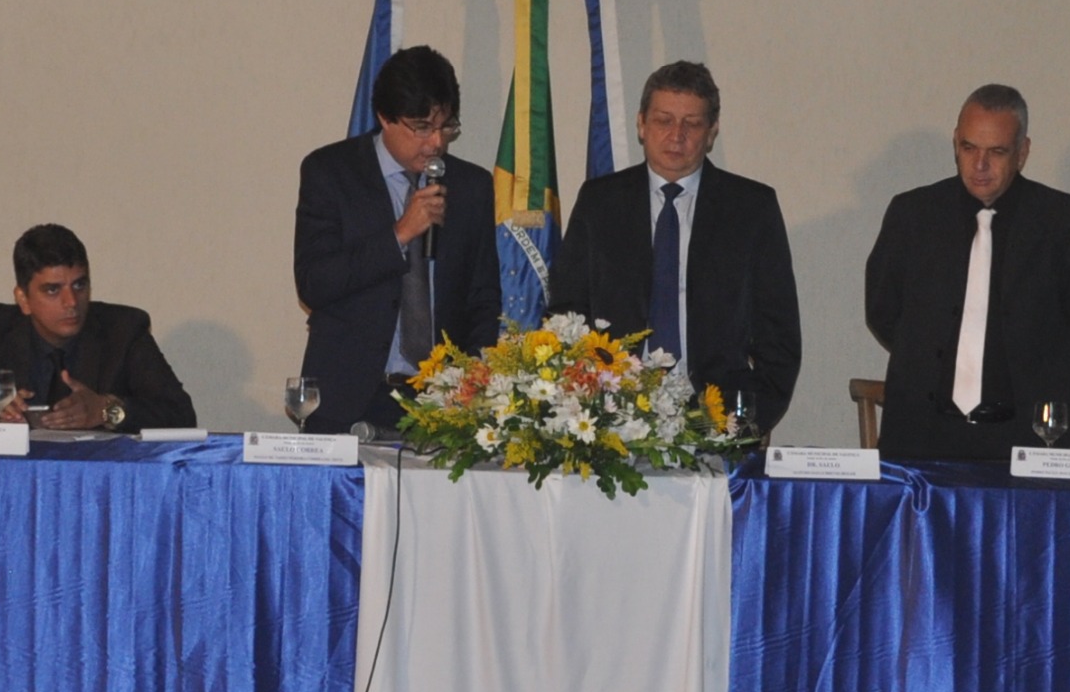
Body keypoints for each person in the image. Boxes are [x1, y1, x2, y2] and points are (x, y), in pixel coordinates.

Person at [543, 60, 802, 433]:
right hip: (612, 414)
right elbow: (566, 312)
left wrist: (748, 419)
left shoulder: (750, 209)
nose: (676, 135)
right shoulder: (600, 203)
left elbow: (779, 334)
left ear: (711, 132)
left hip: (717, 418)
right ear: (641, 124)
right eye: (664, 120)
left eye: (691, 124)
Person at [862, 83, 1070, 461]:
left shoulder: (1064, 221)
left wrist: (1023, 367)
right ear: (955, 143)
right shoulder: (912, 215)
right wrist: (930, 358)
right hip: (922, 432)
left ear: (1022, 153)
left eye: (996, 151)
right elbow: (883, 309)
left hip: (1029, 432)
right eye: (969, 148)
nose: (980, 164)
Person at [292, 46, 501, 430]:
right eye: (422, 127)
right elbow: (314, 284)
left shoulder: (472, 187)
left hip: (443, 405)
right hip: (347, 398)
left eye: (446, 127)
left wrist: (472, 382)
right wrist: (400, 233)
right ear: (385, 118)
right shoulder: (331, 173)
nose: (436, 143)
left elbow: (483, 298)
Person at [0, 224, 198, 430]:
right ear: (23, 299)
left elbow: (180, 414)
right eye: (53, 290)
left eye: (79, 285)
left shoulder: (123, 330)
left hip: (96, 483)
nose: (71, 302)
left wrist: (106, 409)